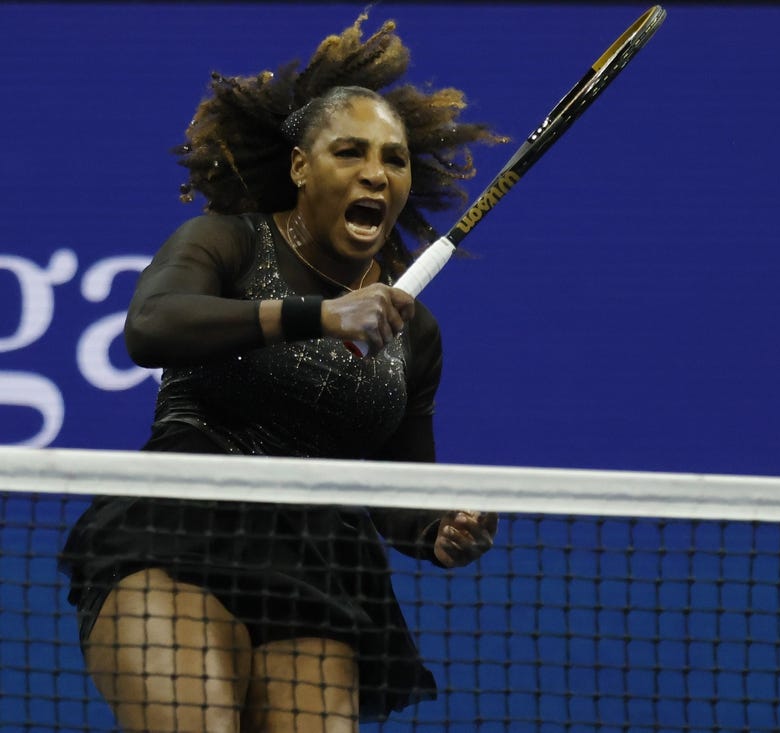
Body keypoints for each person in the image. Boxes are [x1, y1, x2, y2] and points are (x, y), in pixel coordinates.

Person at [59, 13, 502, 732]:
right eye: (350, 151)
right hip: (179, 534)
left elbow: (399, 488)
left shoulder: (413, 331)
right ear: (301, 166)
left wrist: (439, 528)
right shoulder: (229, 240)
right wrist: (315, 315)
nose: (374, 173)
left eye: (394, 158)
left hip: (315, 570)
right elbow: (151, 326)